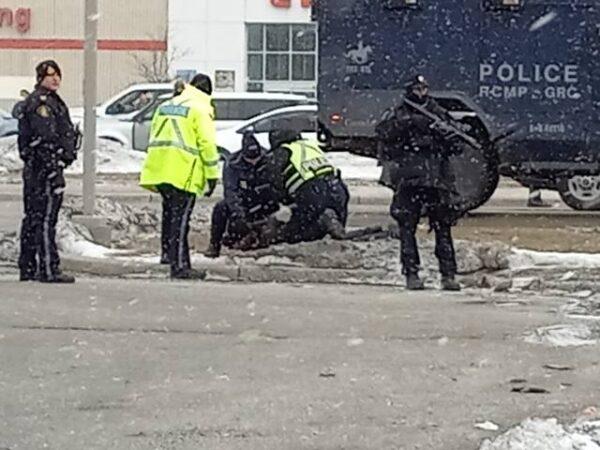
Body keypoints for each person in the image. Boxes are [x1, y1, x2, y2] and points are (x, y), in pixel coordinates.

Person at [376, 75, 463, 291]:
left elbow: (456, 144)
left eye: (424, 88)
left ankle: (448, 274)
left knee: (443, 227)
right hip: (410, 178)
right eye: (417, 88)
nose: (421, 92)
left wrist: (447, 136)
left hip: (436, 178)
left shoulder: (437, 112)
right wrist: (410, 125)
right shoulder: (400, 112)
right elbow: (384, 134)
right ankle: (411, 273)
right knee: (407, 226)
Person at [140, 73, 220, 279]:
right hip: (184, 169)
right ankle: (180, 265)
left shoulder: (167, 105)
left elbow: (155, 133)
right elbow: (207, 144)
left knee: (169, 215)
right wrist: (212, 175)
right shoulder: (201, 108)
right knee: (181, 219)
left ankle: (167, 254)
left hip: (161, 167)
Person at [17, 60, 78, 283]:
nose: (55, 79)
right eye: (49, 75)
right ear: (40, 78)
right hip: (43, 170)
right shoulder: (42, 103)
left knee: (34, 217)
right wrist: (54, 169)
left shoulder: (48, 101)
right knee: (44, 218)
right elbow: (45, 139)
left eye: (57, 75)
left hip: (38, 168)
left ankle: (29, 266)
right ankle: (48, 268)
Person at [204, 131, 281, 258]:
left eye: (256, 159)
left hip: (266, 201)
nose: (254, 163)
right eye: (250, 160)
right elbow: (230, 191)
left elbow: (277, 185)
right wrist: (239, 215)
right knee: (221, 207)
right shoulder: (233, 164)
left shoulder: (269, 159)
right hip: (245, 201)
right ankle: (214, 245)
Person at [268, 125, 349, 244]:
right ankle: (331, 223)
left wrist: (281, 201)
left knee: (296, 234)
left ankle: (322, 224)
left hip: (311, 192)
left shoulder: (282, 152)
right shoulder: (310, 145)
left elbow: (274, 181)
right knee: (336, 231)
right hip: (338, 188)